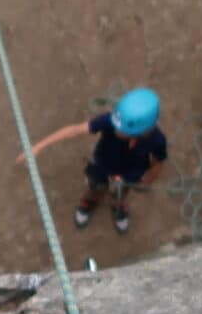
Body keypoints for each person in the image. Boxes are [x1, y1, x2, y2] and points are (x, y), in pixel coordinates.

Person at [28, 91, 168, 236]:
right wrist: (39, 146)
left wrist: (148, 180)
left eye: (122, 129)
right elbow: (75, 130)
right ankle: (89, 203)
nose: (116, 129)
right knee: (95, 187)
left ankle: (118, 206)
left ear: (143, 131)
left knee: (121, 192)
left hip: (131, 172)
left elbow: (158, 162)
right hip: (102, 165)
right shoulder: (109, 121)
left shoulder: (157, 140)